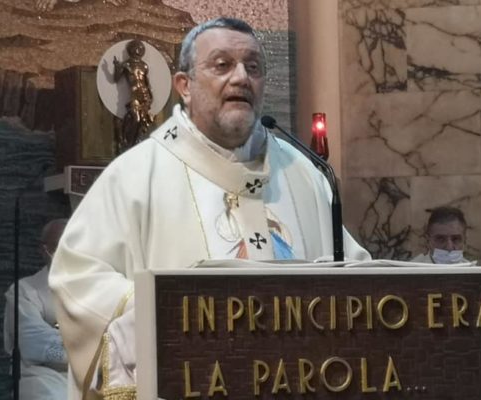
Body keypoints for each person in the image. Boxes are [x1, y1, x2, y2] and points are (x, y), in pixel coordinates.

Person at [49, 17, 371, 399]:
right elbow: (77, 279)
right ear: (184, 86)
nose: (241, 78)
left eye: (253, 67)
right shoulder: (135, 176)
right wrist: (162, 309)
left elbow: (356, 276)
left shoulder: (303, 172)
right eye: (222, 65)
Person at [4, 219, 70, 400]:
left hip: (96, 372)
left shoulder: (98, 288)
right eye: (58, 246)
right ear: (43, 249)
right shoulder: (23, 291)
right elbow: (33, 341)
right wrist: (87, 346)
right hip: (43, 375)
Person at [111, 39, 154, 153]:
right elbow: (116, 78)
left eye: (140, 48)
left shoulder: (144, 65)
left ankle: (136, 143)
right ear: (130, 49)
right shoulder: (127, 64)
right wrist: (117, 67)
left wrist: (151, 96)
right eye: (135, 48)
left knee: (143, 121)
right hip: (134, 96)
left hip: (145, 95)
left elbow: (147, 83)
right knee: (136, 118)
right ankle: (128, 142)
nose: (137, 50)